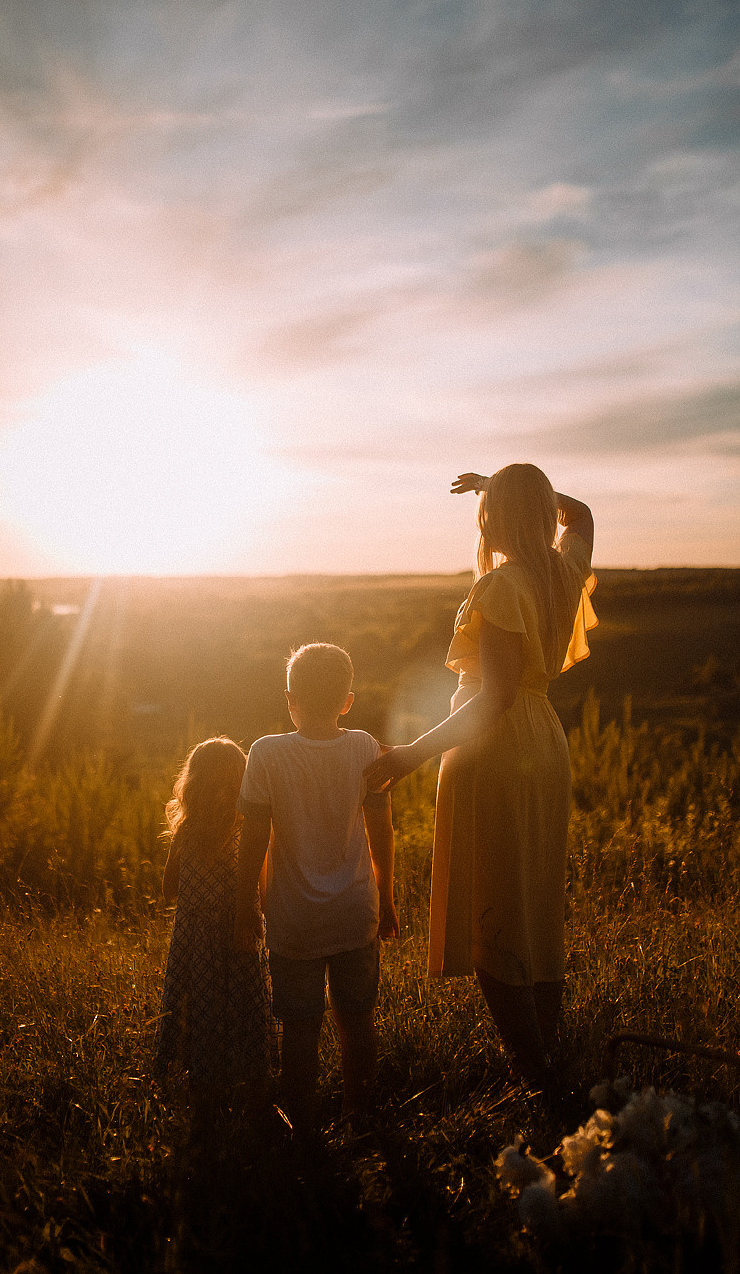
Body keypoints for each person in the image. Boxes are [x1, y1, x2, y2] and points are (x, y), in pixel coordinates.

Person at [363, 465, 597, 1087]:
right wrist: (511, 486)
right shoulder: (561, 571)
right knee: (534, 909)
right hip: (543, 742)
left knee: (494, 916)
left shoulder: (501, 588)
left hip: (496, 752)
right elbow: (581, 515)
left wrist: (410, 756)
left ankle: (538, 1080)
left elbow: (491, 699)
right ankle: (551, 1063)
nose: (481, 517)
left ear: (497, 516)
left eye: (489, 508)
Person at [234, 643, 400, 1136]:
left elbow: (253, 839)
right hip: (355, 911)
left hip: (293, 918)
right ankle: (359, 1117)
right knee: (357, 1022)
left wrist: (247, 904)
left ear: (291, 700)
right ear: (347, 701)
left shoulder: (266, 753)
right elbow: (382, 831)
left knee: (300, 1027)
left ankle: (303, 1124)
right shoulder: (365, 747)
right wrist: (386, 899)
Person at [155, 737, 277, 1125]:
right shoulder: (250, 832)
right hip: (241, 934)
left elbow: (168, 888)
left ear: (194, 784)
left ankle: (205, 1097)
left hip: (195, 941)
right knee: (247, 1008)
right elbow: (267, 888)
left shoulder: (186, 833)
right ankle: (256, 1097)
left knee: (201, 1011)